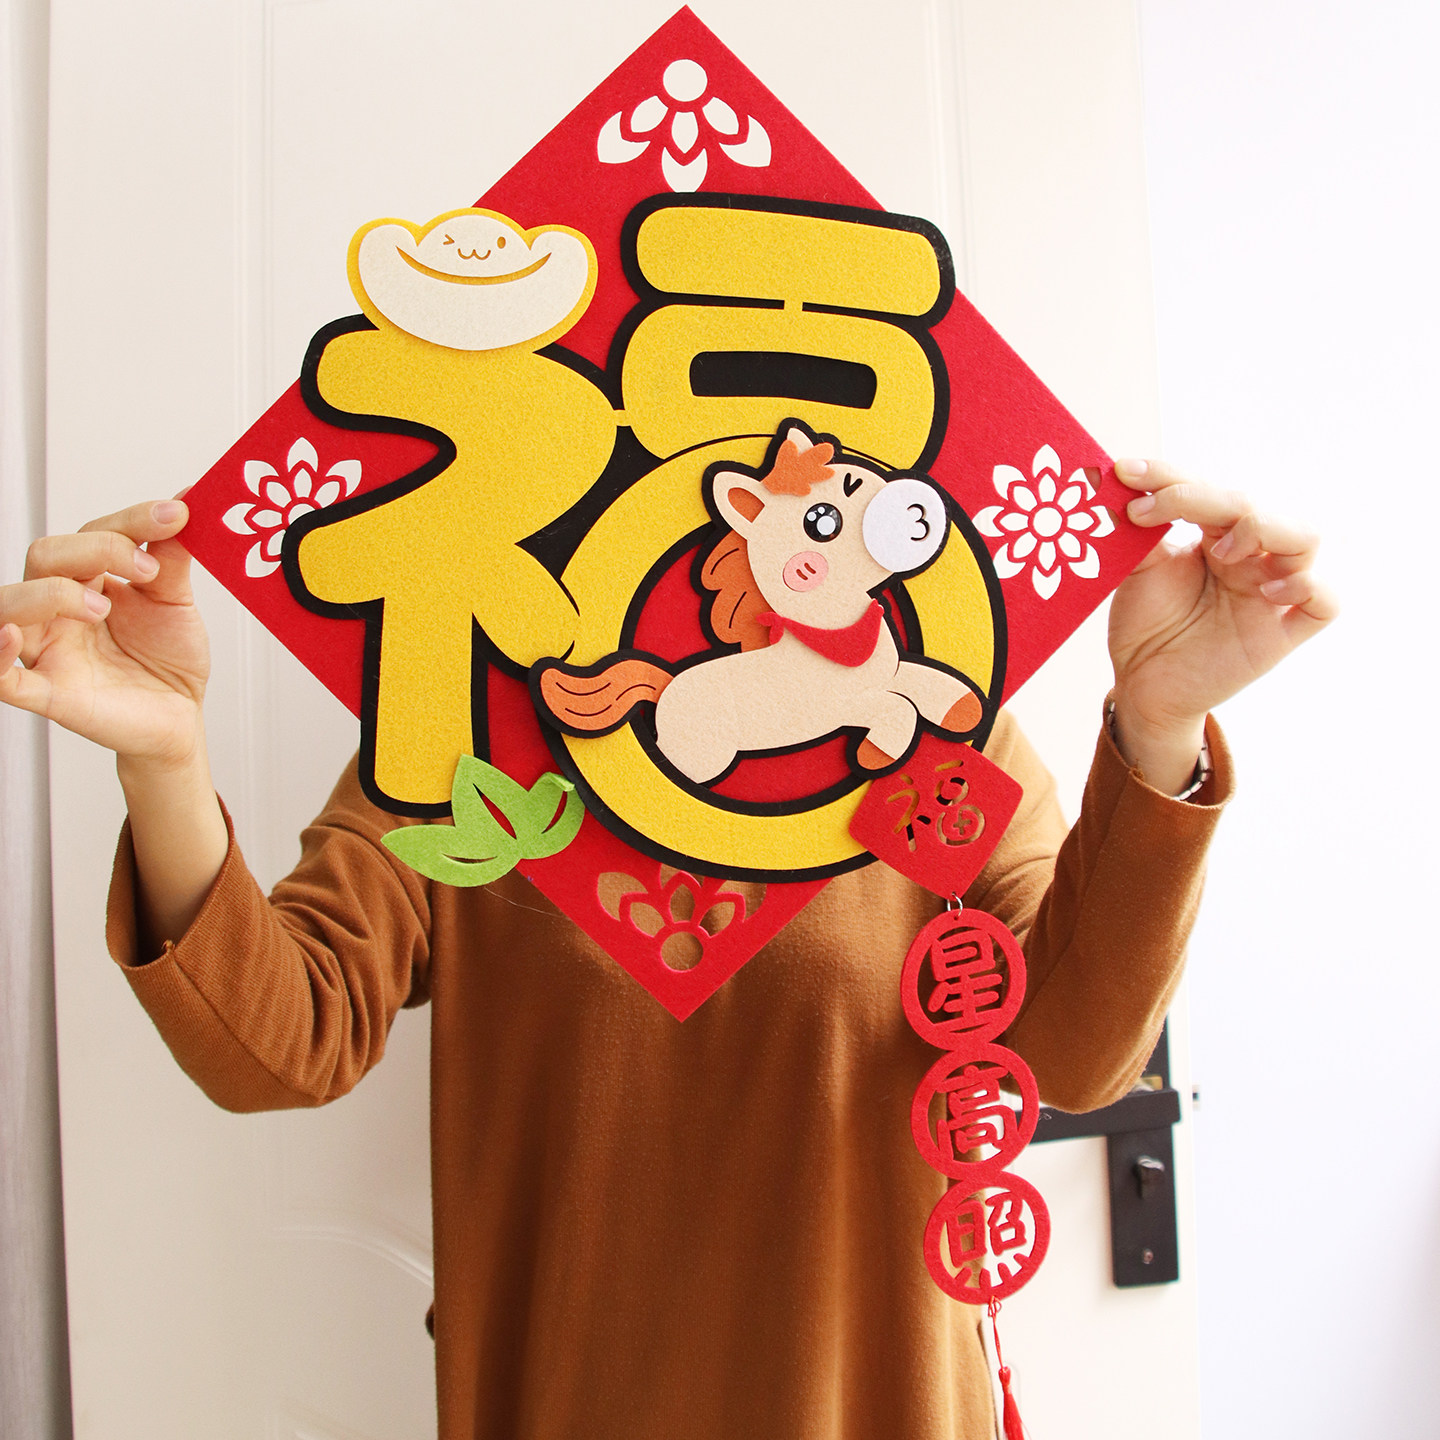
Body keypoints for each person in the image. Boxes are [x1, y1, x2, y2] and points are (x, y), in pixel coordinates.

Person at [0, 460, 1335, 1439]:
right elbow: (280, 1040)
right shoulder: (467, 738)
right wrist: (162, 757)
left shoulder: (933, 734)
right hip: (571, 1402)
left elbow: (1072, 1051)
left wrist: (1159, 723)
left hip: (880, 1402)